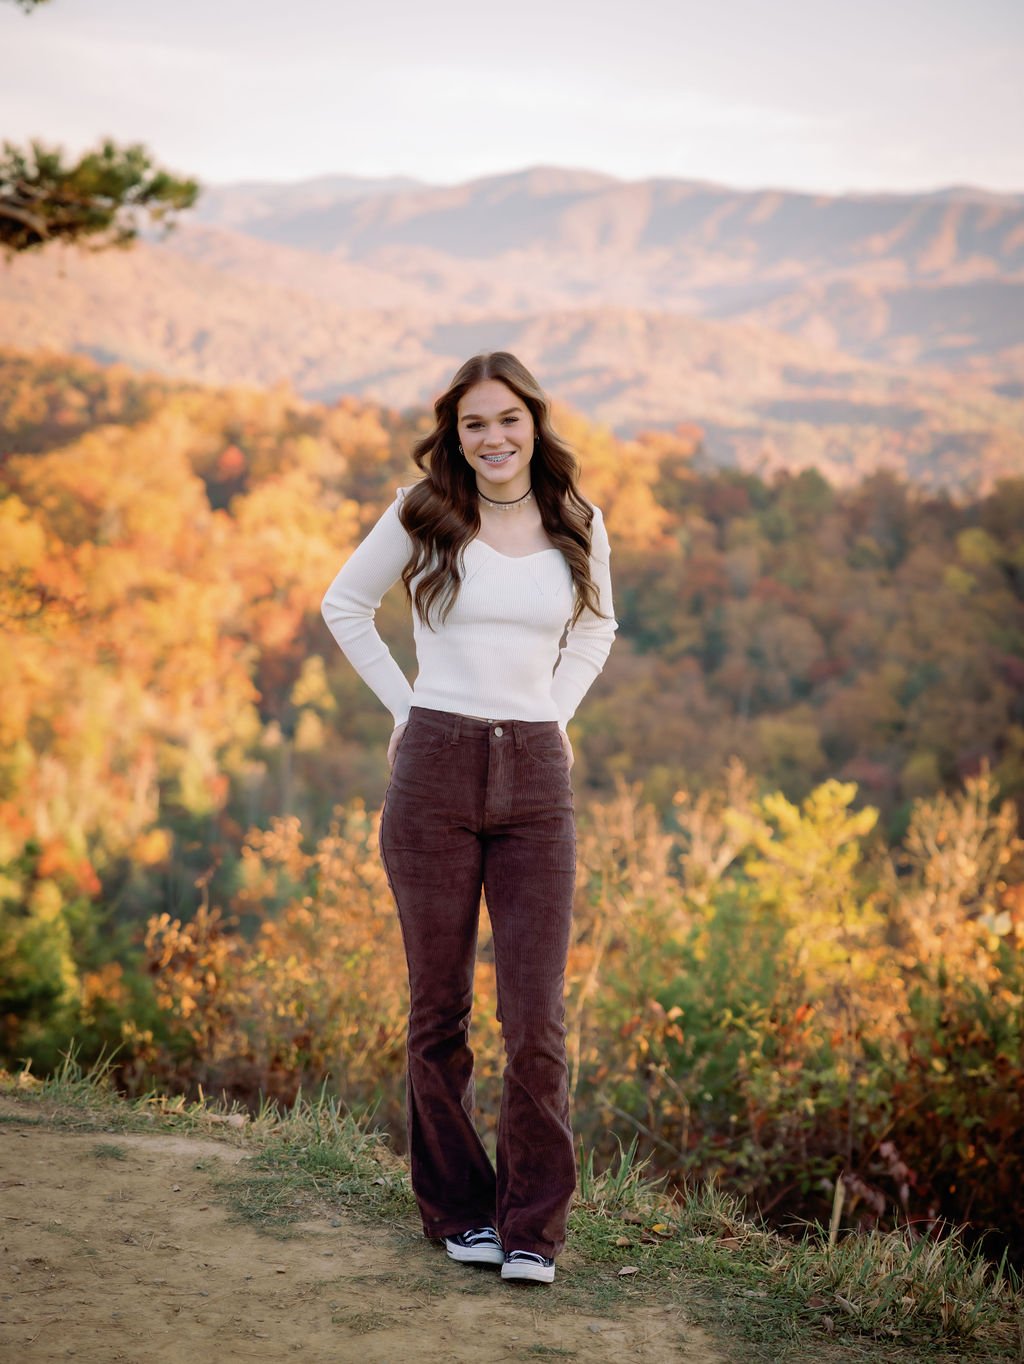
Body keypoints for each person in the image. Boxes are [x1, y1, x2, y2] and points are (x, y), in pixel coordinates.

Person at [320, 351, 618, 1285]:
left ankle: (532, 1226)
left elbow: (598, 626)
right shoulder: (425, 513)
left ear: (535, 421)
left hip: (537, 777)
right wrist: (408, 710)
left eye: (507, 420)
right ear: (456, 434)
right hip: (435, 771)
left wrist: (558, 715)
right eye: (474, 425)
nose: (492, 439)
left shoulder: (578, 518)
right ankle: (457, 1211)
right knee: (438, 1007)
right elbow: (344, 607)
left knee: (536, 1018)